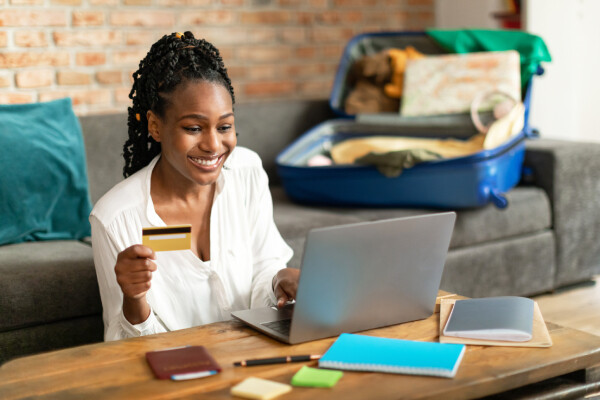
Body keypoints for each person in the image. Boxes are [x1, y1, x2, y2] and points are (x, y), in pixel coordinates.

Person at [90, 31, 299, 341]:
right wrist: (134, 302)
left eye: (225, 126)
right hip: (179, 374)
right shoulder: (115, 218)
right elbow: (123, 349)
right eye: (194, 128)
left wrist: (278, 279)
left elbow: (264, 264)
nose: (214, 145)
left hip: (252, 358)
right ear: (155, 126)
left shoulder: (246, 170)